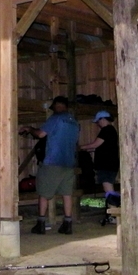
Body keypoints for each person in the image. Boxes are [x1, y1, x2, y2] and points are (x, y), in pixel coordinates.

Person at [19, 96, 80, 235]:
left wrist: (29, 128)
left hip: (53, 162)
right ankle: (67, 224)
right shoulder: (75, 123)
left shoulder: (55, 119)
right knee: (67, 194)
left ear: (58, 106)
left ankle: (40, 224)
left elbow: (40, 134)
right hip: (69, 163)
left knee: (43, 193)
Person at [81, 110, 120, 224]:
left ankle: (114, 214)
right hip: (110, 164)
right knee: (109, 189)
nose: (97, 124)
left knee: (109, 191)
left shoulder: (106, 130)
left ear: (103, 119)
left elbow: (95, 144)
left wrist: (81, 147)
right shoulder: (111, 131)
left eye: (98, 121)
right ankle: (113, 213)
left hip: (106, 165)